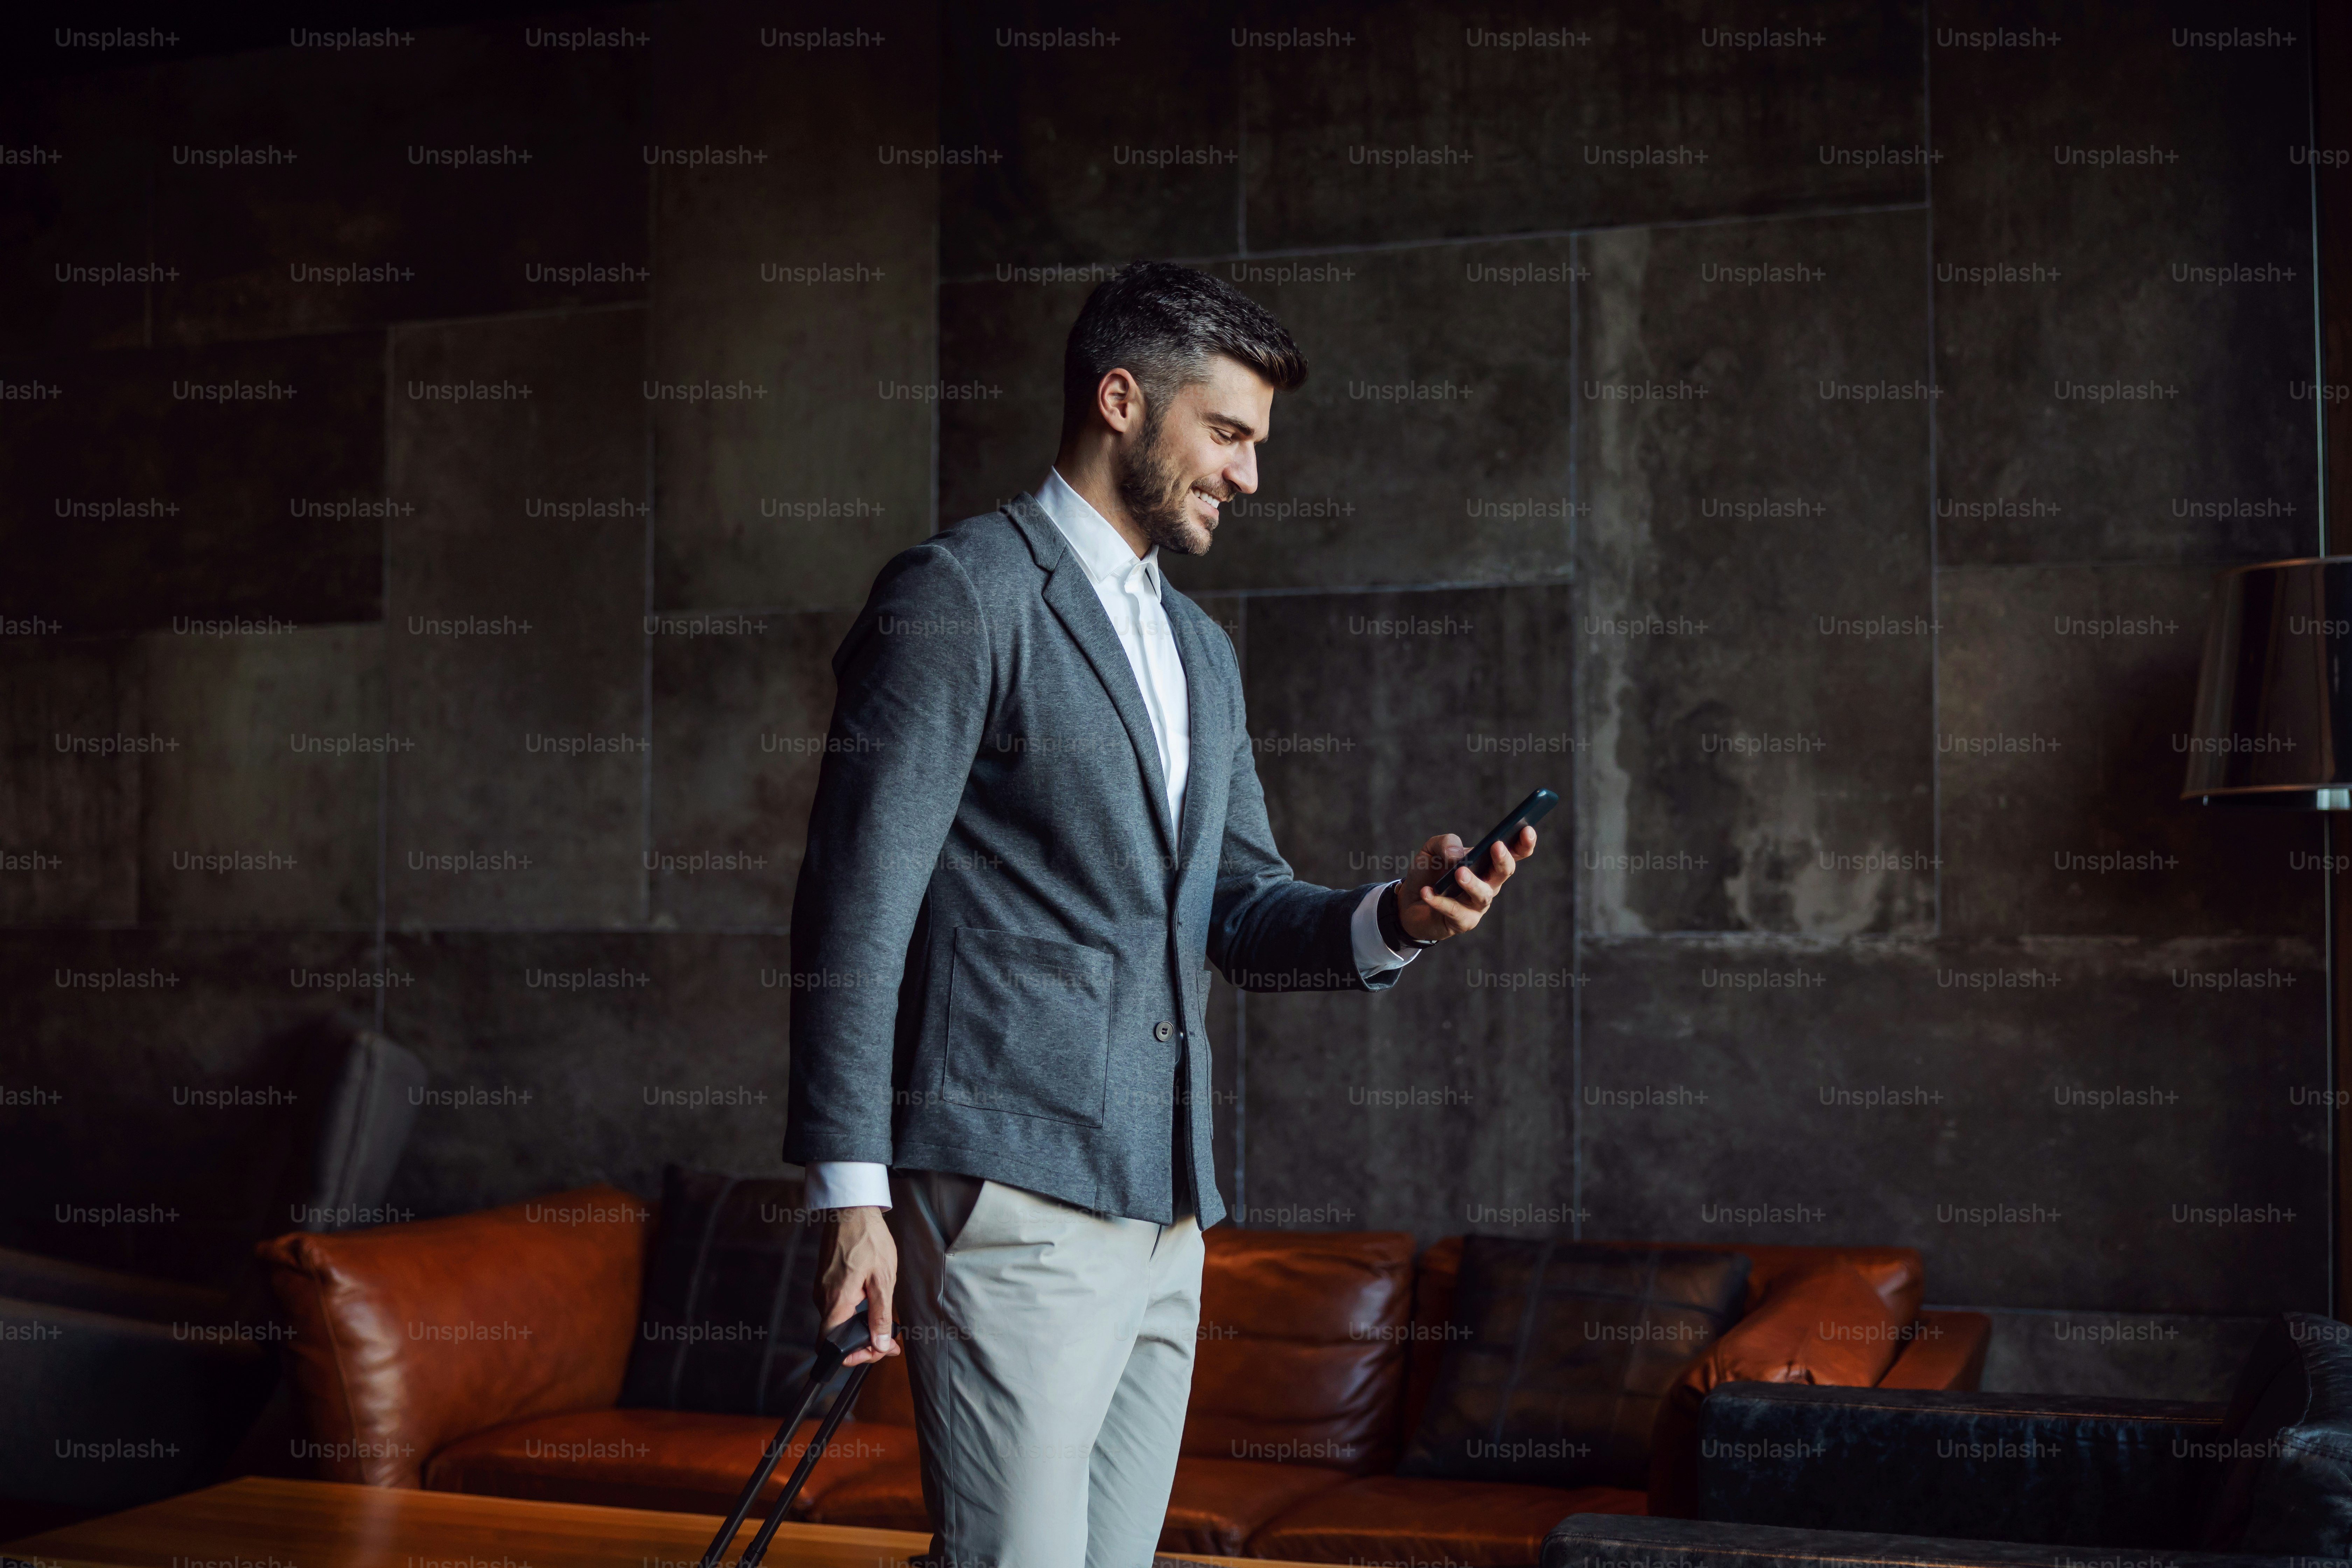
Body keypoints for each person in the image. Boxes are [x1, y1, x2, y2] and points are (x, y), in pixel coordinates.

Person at [783, 259, 1537, 1567]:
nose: (1250, 475)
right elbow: (855, 907)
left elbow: (1238, 909)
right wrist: (851, 1198)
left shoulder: (1200, 652)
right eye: (1228, 434)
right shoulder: (958, 597)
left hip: (1170, 1212)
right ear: (1121, 400)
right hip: (1009, 1194)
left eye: (1257, 443)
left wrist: (1399, 918)